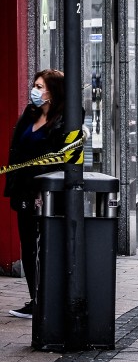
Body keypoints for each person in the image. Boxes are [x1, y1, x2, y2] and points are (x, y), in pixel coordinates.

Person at [6, 69, 66, 319]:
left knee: (47, 247)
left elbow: (61, 159)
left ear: (53, 92)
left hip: (46, 194)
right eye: (35, 85)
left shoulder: (62, 121)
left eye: (40, 87)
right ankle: (35, 299)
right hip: (24, 191)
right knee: (28, 246)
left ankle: (50, 298)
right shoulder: (29, 115)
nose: (35, 90)